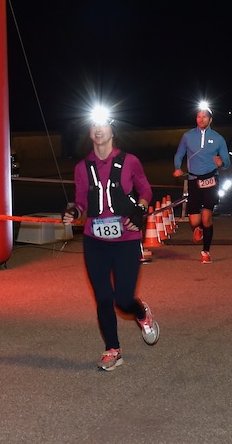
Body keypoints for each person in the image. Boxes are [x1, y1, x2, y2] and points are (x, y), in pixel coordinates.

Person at [62, 107, 160, 371]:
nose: (98, 129)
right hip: (95, 241)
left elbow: (146, 190)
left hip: (126, 239)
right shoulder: (82, 168)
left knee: (123, 300)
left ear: (112, 130)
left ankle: (141, 313)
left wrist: (139, 211)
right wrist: (74, 212)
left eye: (103, 124)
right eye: (93, 125)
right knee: (104, 298)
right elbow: (82, 201)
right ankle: (112, 349)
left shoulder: (130, 161)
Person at [173, 102, 232, 264]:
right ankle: (197, 229)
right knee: (194, 221)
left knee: (207, 218)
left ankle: (206, 251)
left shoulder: (218, 139)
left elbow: (226, 162)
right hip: (193, 180)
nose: (201, 119)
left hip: (211, 180)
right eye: (198, 116)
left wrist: (222, 163)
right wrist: (177, 168)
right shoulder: (187, 136)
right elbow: (179, 154)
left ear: (210, 120)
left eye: (204, 116)